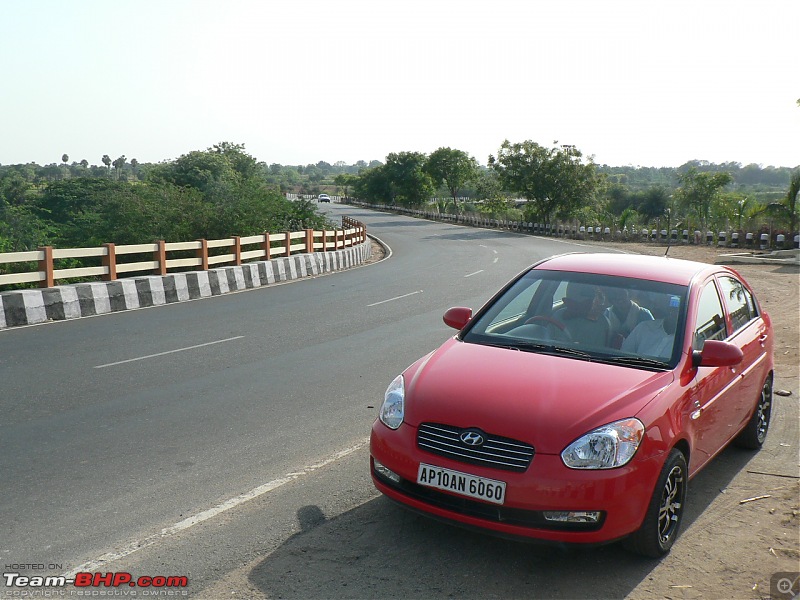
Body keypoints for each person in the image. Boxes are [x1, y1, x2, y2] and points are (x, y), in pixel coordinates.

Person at [621, 294, 680, 359]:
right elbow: (623, 355)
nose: (674, 312)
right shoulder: (644, 327)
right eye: (673, 307)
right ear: (668, 309)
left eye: (679, 309)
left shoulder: (687, 342)